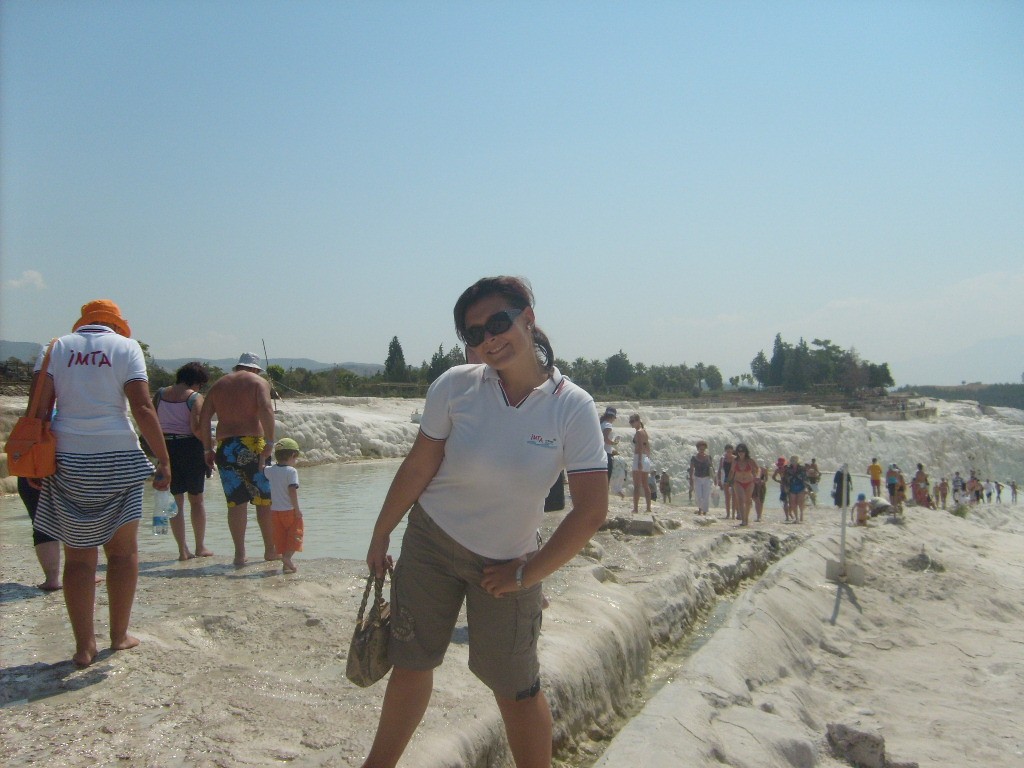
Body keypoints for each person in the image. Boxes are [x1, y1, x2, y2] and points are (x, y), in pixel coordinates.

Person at [360, 276, 608, 768]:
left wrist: (527, 574)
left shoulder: (572, 406)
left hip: (508, 560)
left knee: (516, 688)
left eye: (498, 322)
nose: (489, 339)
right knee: (410, 665)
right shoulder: (456, 386)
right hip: (431, 542)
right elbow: (420, 464)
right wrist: (381, 530)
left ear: (528, 319)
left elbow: (591, 510)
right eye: (474, 333)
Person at [29, 300, 171, 667]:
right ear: (117, 325)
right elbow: (142, 407)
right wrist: (163, 458)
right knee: (122, 553)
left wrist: (33, 461)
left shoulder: (55, 348)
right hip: (119, 455)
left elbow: (39, 409)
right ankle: (119, 636)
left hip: (68, 459)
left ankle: (84, 647)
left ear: (83, 323)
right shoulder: (127, 348)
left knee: (78, 558)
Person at [198, 353, 276, 567]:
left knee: (236, 502)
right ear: (256, 369)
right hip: (253, 445)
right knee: (263, 500)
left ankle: (240, 554)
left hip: (226, 447)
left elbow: (204, 418)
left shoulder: (219, 384)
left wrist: (207, 448)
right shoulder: (258, 382)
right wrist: (270, 442)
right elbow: (266, 409)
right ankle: (270, 550)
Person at [155, 362, 213, 561]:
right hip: (190, 448)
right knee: (196, 500)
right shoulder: (194, 397)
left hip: (166, 448)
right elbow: (196, 428)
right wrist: (209, 446)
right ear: (196, 381)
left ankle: (182, 549)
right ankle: (200, 546)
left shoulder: (160, 394)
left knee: (175, 501)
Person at [264, 438, 303, 574]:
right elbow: (292, 490)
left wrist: (262, 457)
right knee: (295, 535)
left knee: (281, 536)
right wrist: (297, 509)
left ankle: (286, 566)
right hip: (289, 510)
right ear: (292, 455)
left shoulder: (271, 470)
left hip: (275, 512)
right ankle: (287, 558)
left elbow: (261, 469)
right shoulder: (291, 471)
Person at [18, 476, 61, 590]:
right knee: (79, 522)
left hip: (34, 469)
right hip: (74, 472)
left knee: (42, 524)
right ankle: (86, 573)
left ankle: (52, 579)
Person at [727, 443, 758, 527]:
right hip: (738, 482)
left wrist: (757, 476)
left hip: (749, 482)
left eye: (742, 451)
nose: (741, 453)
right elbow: (732, 471)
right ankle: (743, 520)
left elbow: (757, 469)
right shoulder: (735, 461)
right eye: (739, 451)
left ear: (745, 452)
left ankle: (746, 518)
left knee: (747, 501)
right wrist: (728, 481)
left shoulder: (750, 460)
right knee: (740, 499)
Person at [629, 414, 652, 515]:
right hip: (645, 458)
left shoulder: (638, 432)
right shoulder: (644, 431)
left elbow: (639, 447)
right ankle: (648, 508)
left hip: (639, 458)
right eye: (630, 421)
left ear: (638, 421)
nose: (631, 423)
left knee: (637, 485)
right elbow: (647, 446)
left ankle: (635, 509)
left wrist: (639, 461)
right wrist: (647, 457)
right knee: (645, 485)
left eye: (632, 421)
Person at [689, 440, 714, 516]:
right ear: (697, 449)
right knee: (698, 495)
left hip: (706, 478)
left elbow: (712, 467)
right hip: (697, 478)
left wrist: (715, 478)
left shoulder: (708, 457)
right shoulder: (694, 458)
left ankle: (704, 511)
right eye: (700, 449)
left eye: (703, 449)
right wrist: (691, 479)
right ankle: (700, 509)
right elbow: (691, 469)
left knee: (706, 495)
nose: (702, 450)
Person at [784, 456, 808, 523]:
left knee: (800, 502)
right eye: (792, 460)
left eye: (794, 460)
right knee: (793, 503)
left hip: (801, 486)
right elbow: (785, 479)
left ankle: (801, 514)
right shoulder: (788, 469)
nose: (793, 462)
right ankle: (796, 518)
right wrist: (786, 486)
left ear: (797, 461)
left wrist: (806, 488)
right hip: (792, 487)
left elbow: (805, 478)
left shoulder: (802, 468)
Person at [600, 406, 618, 482]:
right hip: (606, 453)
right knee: (607, 477)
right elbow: (606, 439)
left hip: (600, 453)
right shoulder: (608, 425)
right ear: (612, 416)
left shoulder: (602, 424)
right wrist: (614, 443)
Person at [717, 444, 735, 519]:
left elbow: (733, 470)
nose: (729, 453)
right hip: (725, 478)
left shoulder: (734, 458)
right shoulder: (722, 459)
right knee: (727, 497)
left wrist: (729, 480)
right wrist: (719, 480)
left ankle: (734, 514)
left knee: (734, 497)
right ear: (725, 451)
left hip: (734, 478)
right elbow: (719, 470)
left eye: (730, 451)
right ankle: (728, 514)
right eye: (727, 452)